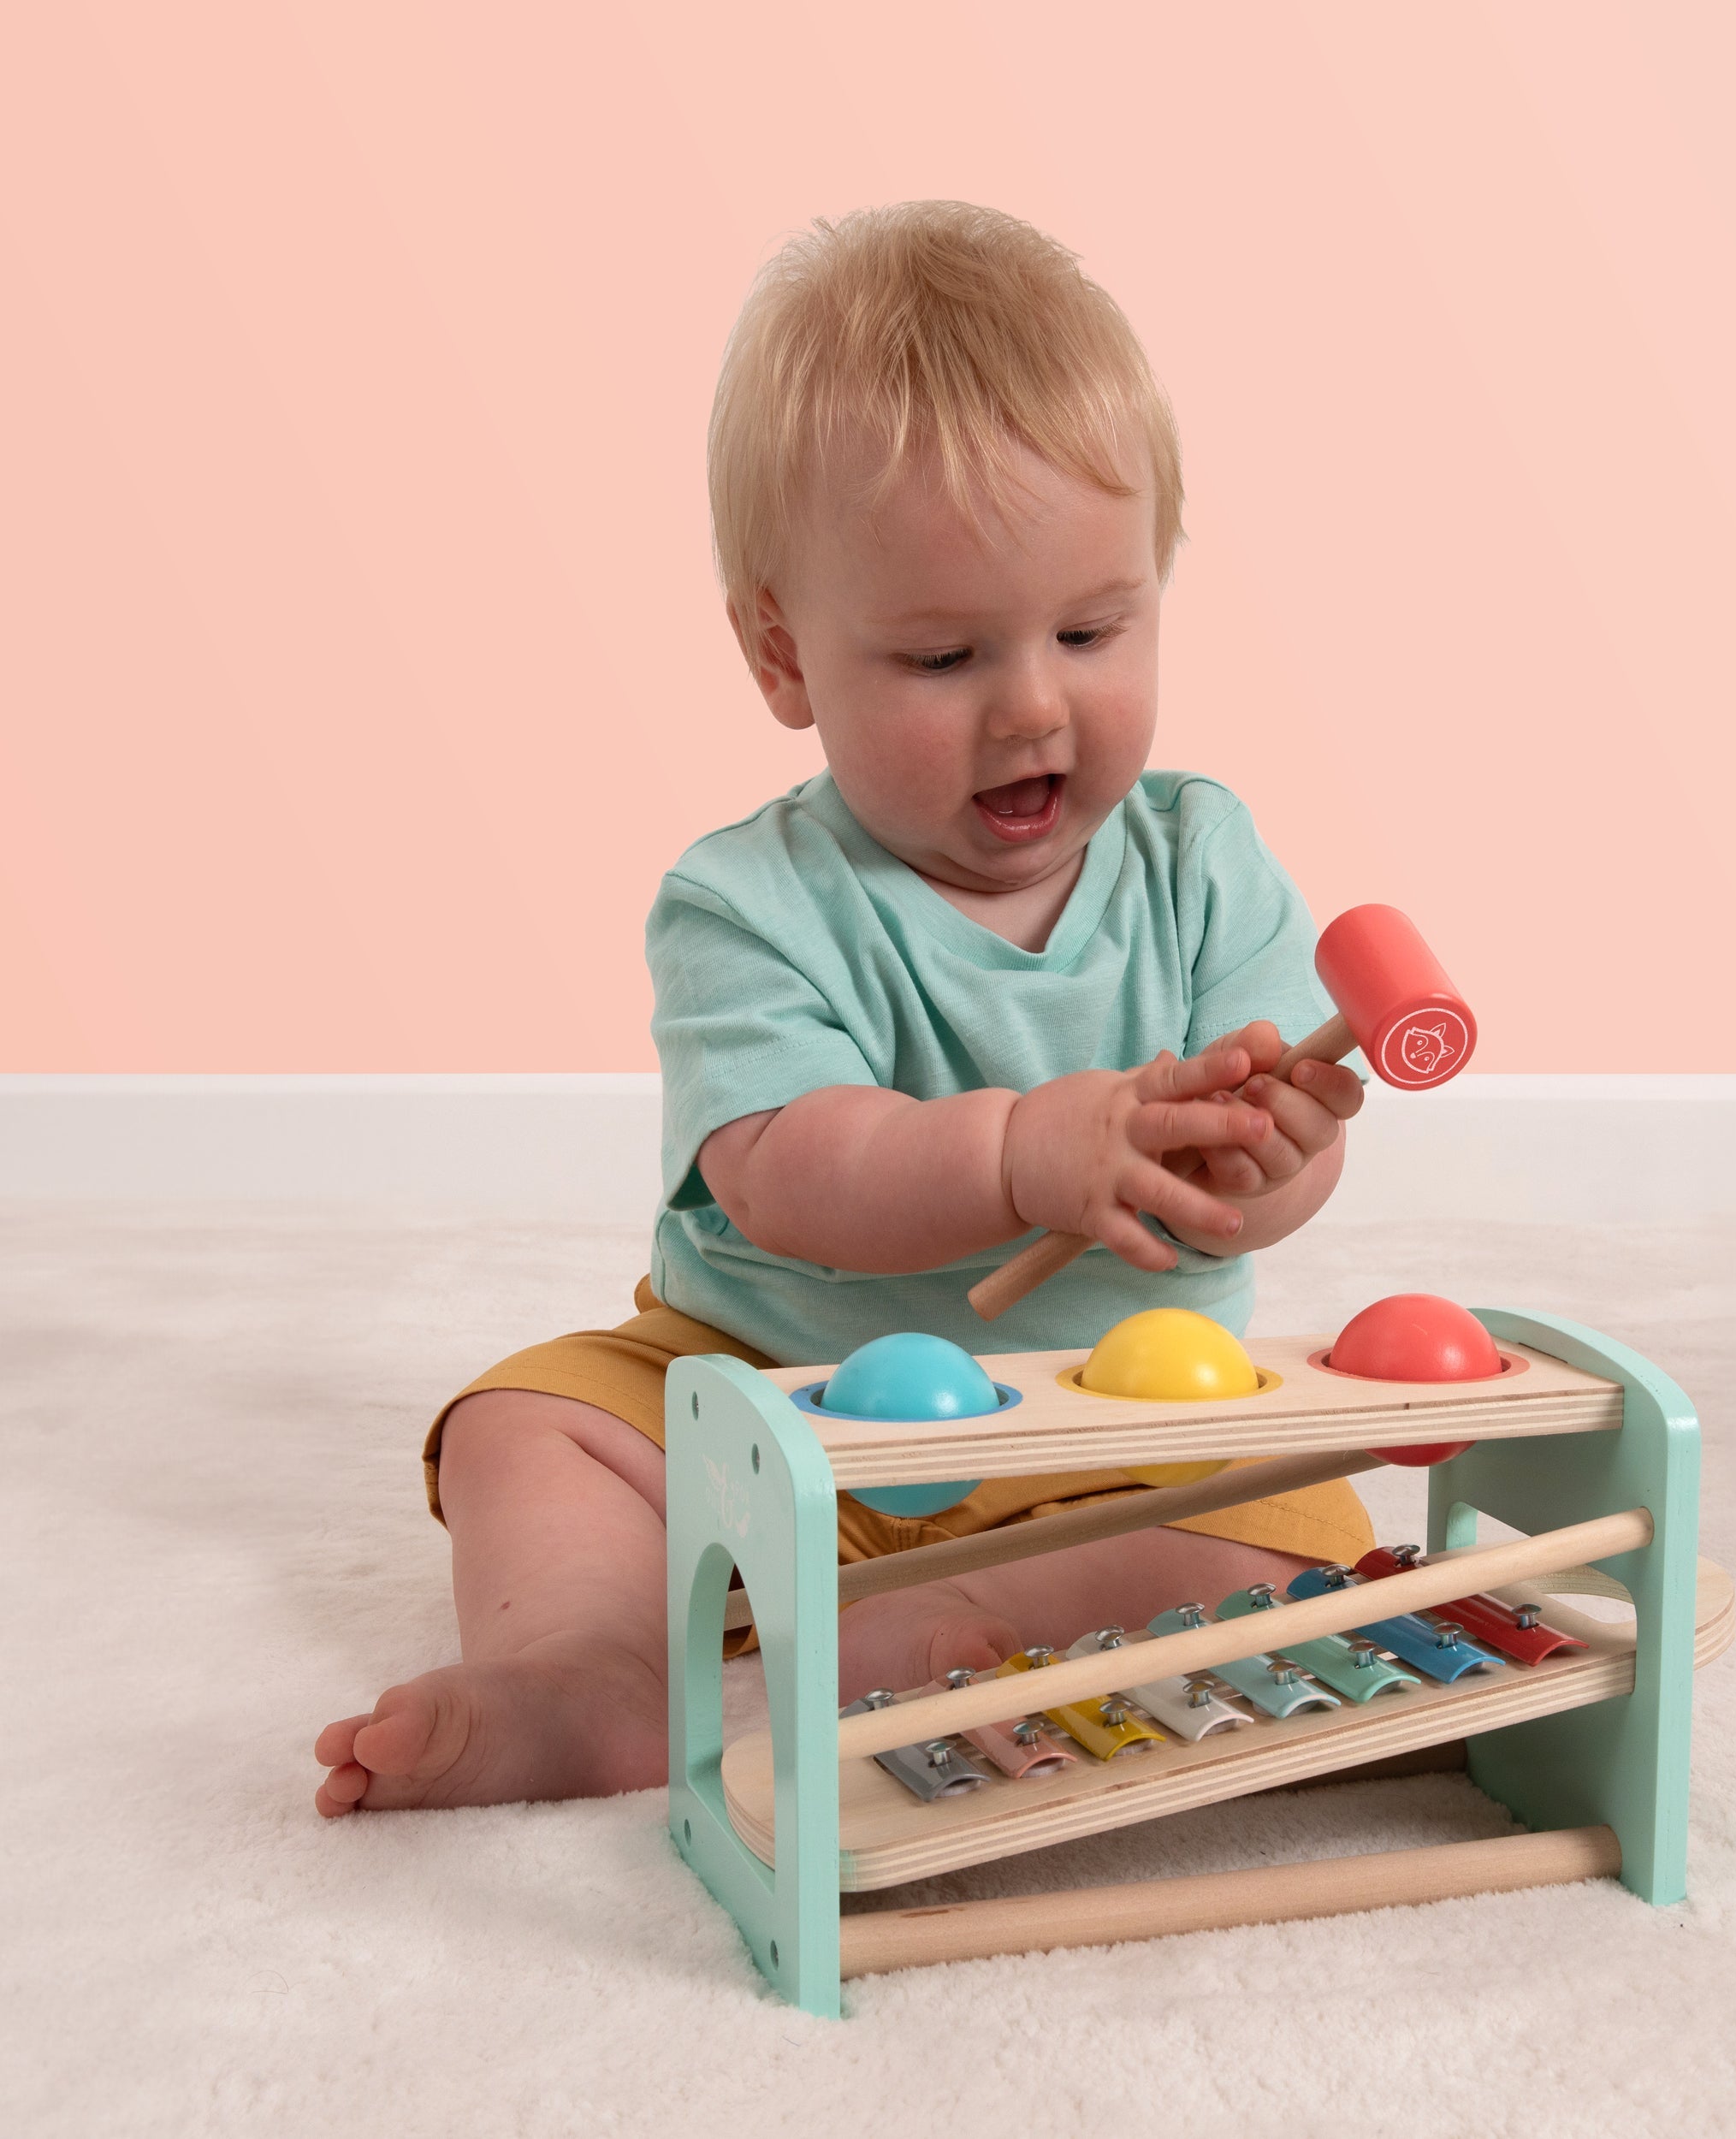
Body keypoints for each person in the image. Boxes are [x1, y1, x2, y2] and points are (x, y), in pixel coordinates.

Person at [315, 201, 1372, 1816]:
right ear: (781, 652)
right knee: (526, 1423)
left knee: (1297, 1513)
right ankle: (591, 1671)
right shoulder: (745, 903)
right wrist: (1023, 1151)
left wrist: (1269, 1160)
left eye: (1093, 631)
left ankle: (940, 1635)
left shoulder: (1205, 861)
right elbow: (788, 1172)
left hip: (1107, 1426)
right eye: (943, 656)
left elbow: (1268, 1194)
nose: (1034, 704)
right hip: (776, 1398)